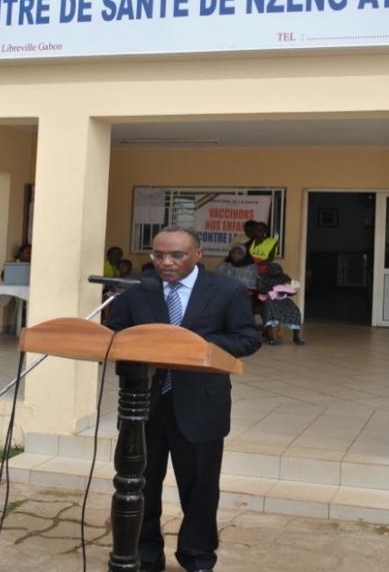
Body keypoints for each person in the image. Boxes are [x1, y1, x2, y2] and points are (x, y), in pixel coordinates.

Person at [109, 226, 261, 572]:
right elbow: (116, 336)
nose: (166, 262)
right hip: (143, 404)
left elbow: (248, 338)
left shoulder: (227, 290)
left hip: (200, 405)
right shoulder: (135, 288)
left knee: (200, 490)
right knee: (140, 485)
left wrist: (198, 349)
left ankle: (197, 557)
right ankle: (145, 555)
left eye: (176, 255)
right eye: (158, 254)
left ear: (197, 254)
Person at [257, 262, 305, 346]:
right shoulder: (262, 277)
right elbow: (260, 290)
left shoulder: (285, 277)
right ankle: (270, 337)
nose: (276, 273)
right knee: (269, 309)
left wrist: (285, 292)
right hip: (270, 299)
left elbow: (291, 291)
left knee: (295, 311)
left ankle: (296, 337)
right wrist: (275, 290)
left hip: (283, 299)